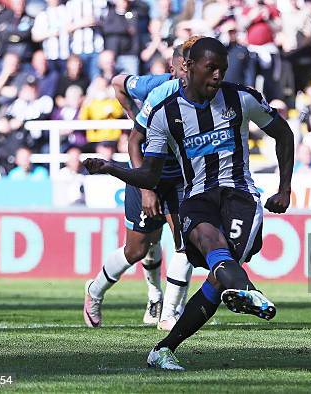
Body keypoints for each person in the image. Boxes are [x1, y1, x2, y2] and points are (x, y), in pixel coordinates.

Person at [83, 37, 294, 370]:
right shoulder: (165, 111)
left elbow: (283, 133)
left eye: (222, 70)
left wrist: (284, 189)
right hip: (194, 196)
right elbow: (149, 173)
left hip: (239, 196)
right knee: (201, 249)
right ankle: (242, 291)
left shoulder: (241, 99)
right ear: (188, 67)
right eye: (211, 68)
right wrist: (112, 168)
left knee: (219, 273)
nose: (216, 76)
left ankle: (166, 345)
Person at [83, 40, 198, 331]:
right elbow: (119, 83)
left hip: (181, 180)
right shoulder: (156, 89)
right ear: (175, 67)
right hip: (147, 175)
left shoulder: (209, 93)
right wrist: (137, 119)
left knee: (186, 244)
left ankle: (169, 313)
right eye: (187, 67)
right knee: (136, 250)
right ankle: (94, 292)